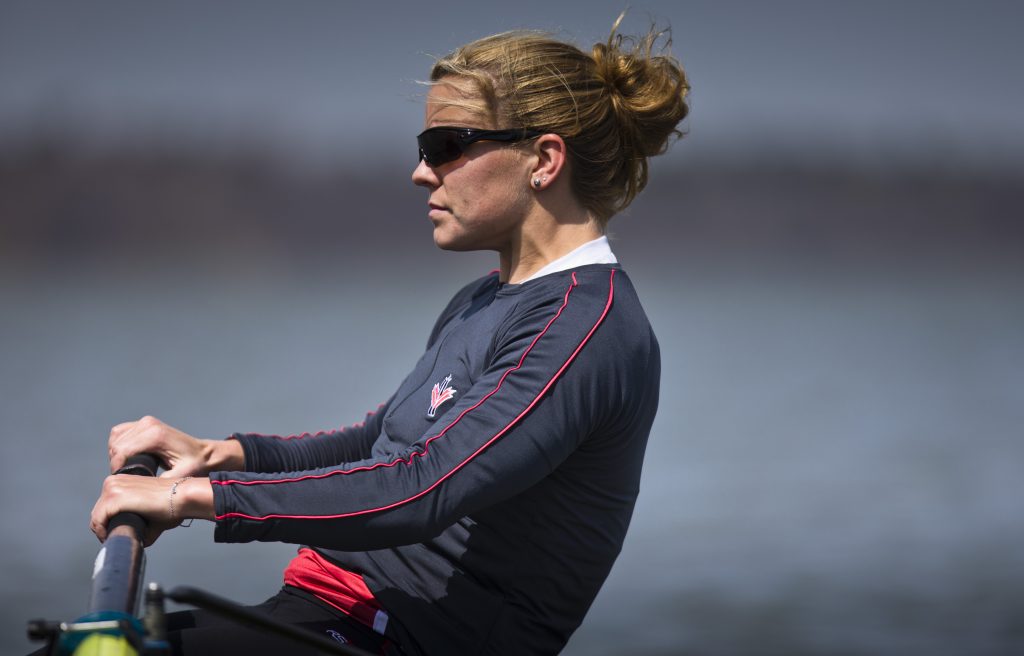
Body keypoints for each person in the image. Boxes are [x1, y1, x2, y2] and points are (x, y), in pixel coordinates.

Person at [90, 17, 689, 656]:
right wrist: (217, 455)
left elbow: (420, 488)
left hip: (396, 640)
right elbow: (382, 442)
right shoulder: (485, 299)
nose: (421, 172)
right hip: (333, 614)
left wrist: (187, 498)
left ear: (543, 160)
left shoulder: (583, 328)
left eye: (446, 145)